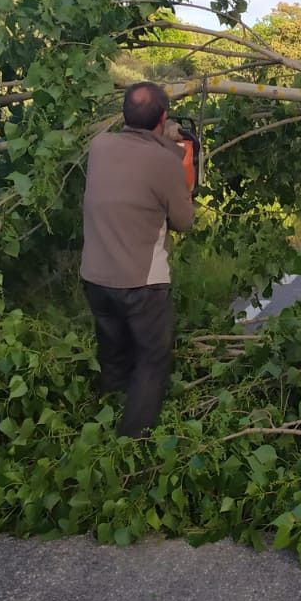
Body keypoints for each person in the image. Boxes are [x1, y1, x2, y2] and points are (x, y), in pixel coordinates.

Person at [80, 81, 195, 437]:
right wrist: (179, 149)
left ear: (124, 114)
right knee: (152, 360)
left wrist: (163, 140)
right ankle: (130, 444)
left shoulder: (99, 146)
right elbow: (183, 221)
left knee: (114, 353)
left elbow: (133, 151)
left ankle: (105, 418)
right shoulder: (165, 160)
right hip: (141, 284)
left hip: (96, 278)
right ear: (163, 118)